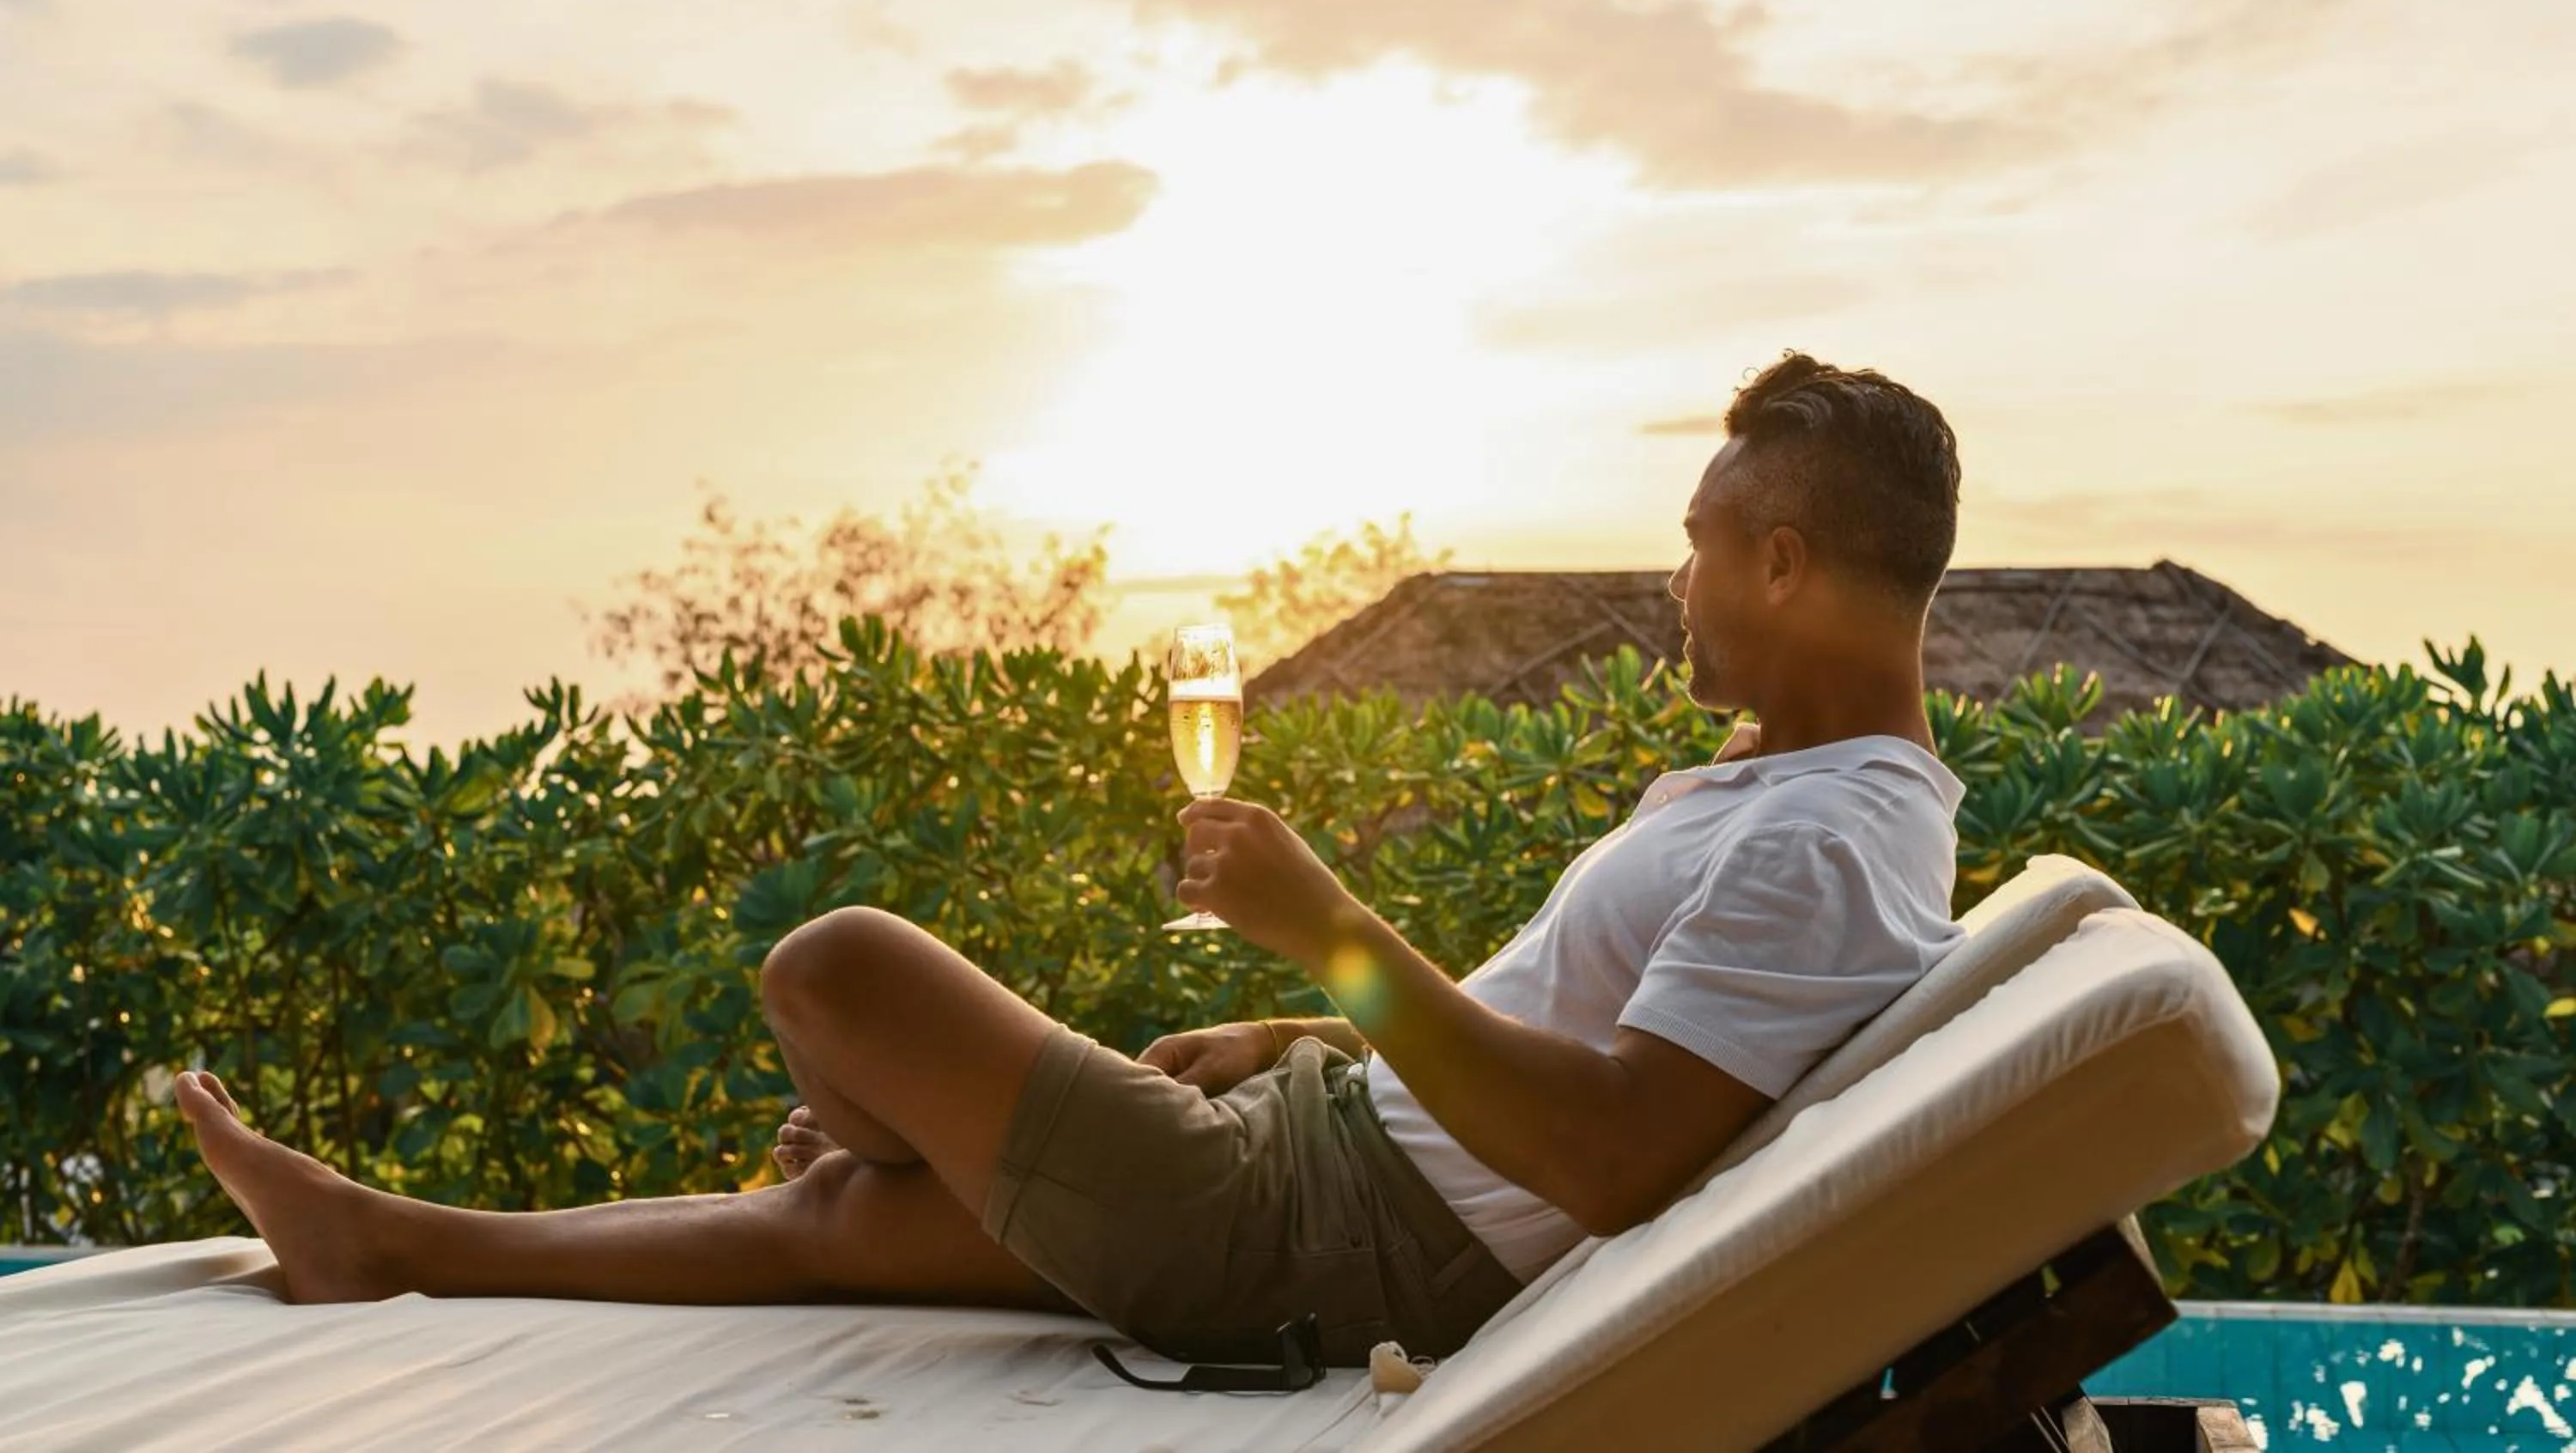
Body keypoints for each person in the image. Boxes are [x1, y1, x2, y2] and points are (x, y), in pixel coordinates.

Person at [175, 350, 1969, 1368]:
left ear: (1788, 563)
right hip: (1328, 1153)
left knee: (839, 970)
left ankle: (880, 1115)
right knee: (842, 1219)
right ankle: (381, 1237)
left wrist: (1327, 936)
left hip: (1328, 1237)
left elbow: (1606, 1154)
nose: (1675, 584)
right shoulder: (1777, 787)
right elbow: (1566, 1056)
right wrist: (1307, 1045)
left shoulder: (1830, 842)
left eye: (1698, 544)